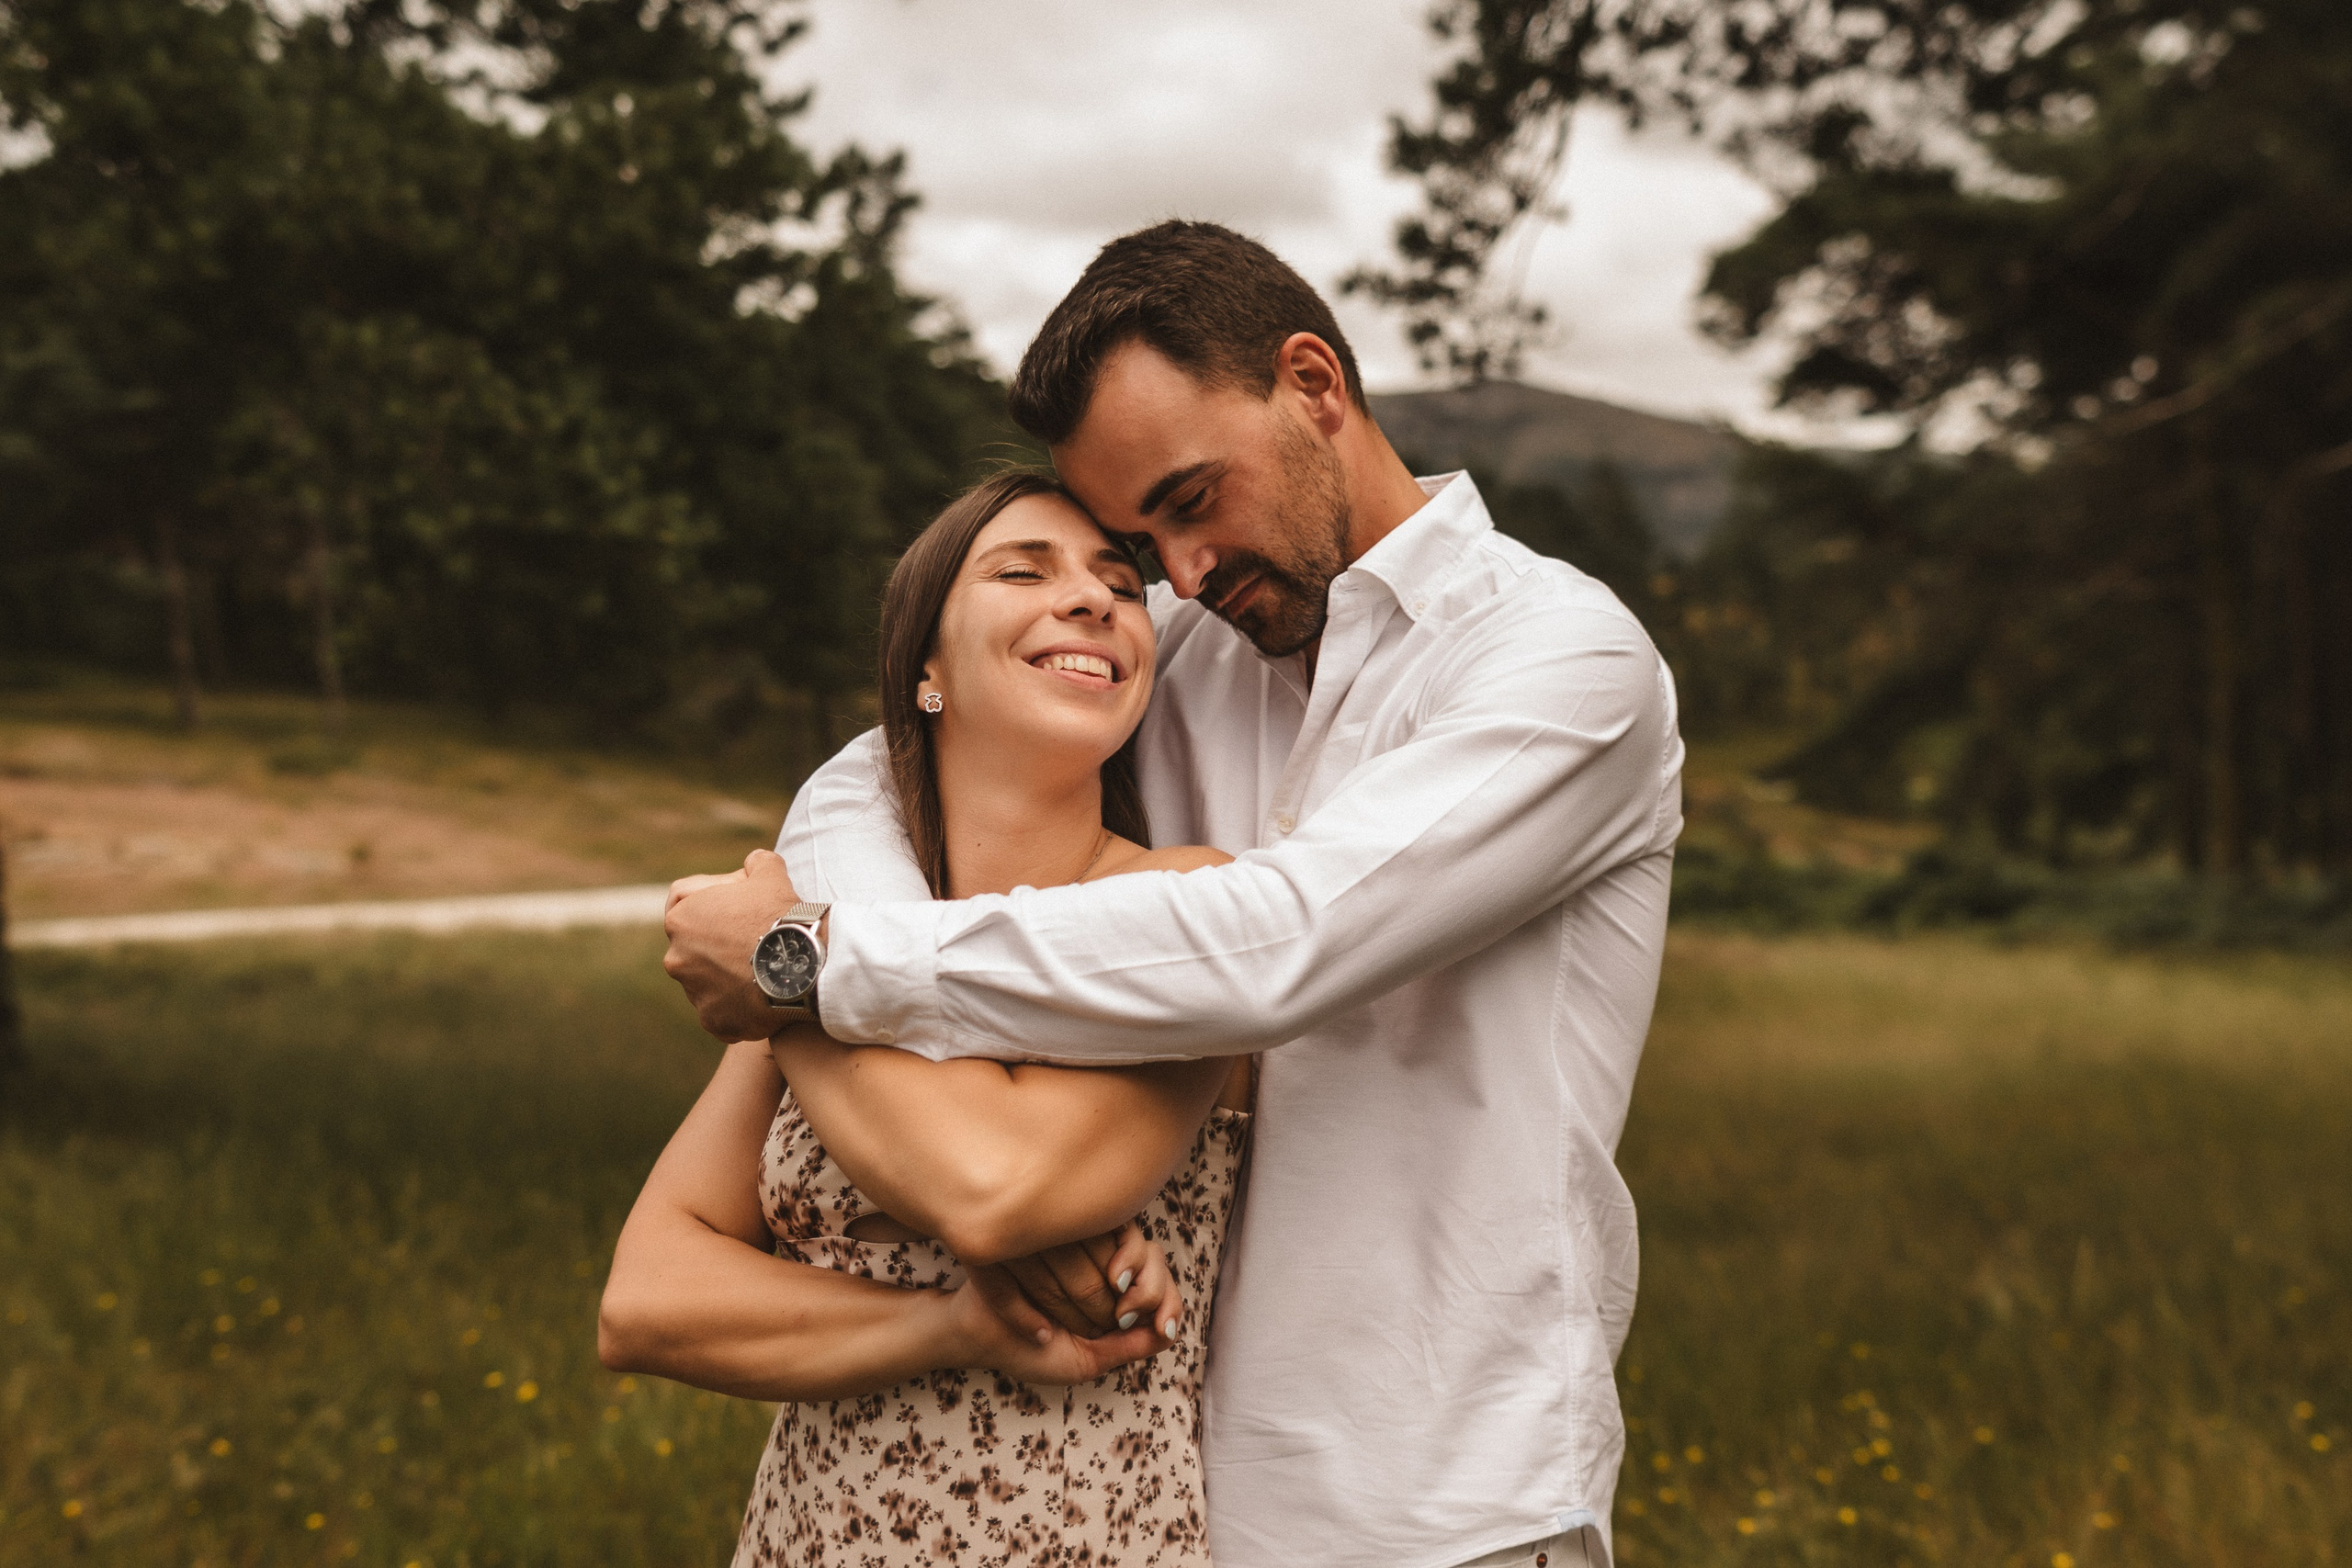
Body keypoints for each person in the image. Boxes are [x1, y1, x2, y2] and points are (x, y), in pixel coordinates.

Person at [666, 220, 1685, 1568]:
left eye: (1191, 499)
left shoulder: (1560, 659)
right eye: (1145, 537)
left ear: (1314, 384)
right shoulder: (1189, 649)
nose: (1184, 572)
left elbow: (1281, 941)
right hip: (1167, 1493)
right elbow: (878, 768)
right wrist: (879, 1031)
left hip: (1438, 1501)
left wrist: (814, 967)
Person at [604, 470, 1256, 1564]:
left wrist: (789, 976)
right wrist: (951, 1328)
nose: (1096, 600)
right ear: (928, 673)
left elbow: (993, 1187)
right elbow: (650, 1299)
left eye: (1118, 583)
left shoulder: (1184, 909)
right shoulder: (845, 922)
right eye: (1022, 570)